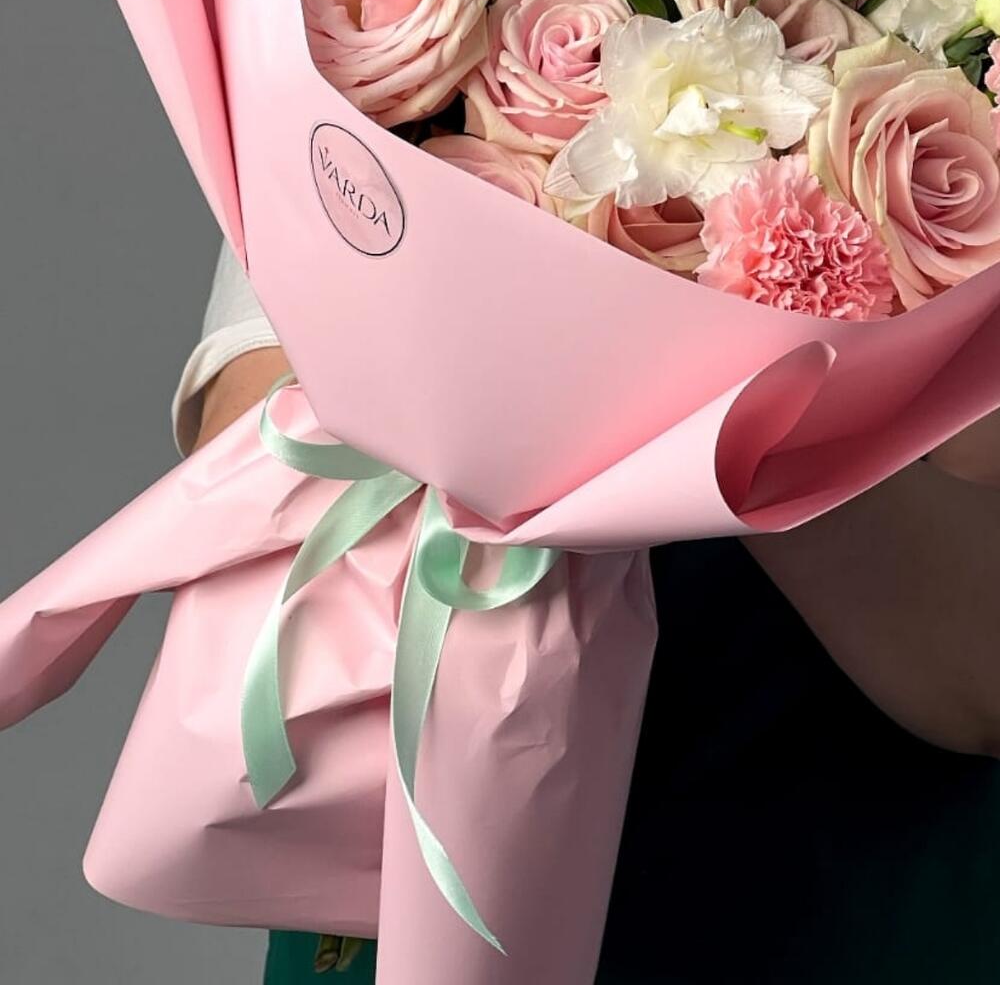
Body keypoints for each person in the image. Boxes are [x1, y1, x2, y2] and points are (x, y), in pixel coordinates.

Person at [177, 245, 1000, 983]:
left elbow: (978, 664)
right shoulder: (355, 121)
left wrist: (704, 350)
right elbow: (254, 440)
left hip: (841, 882)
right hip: (415, 825)